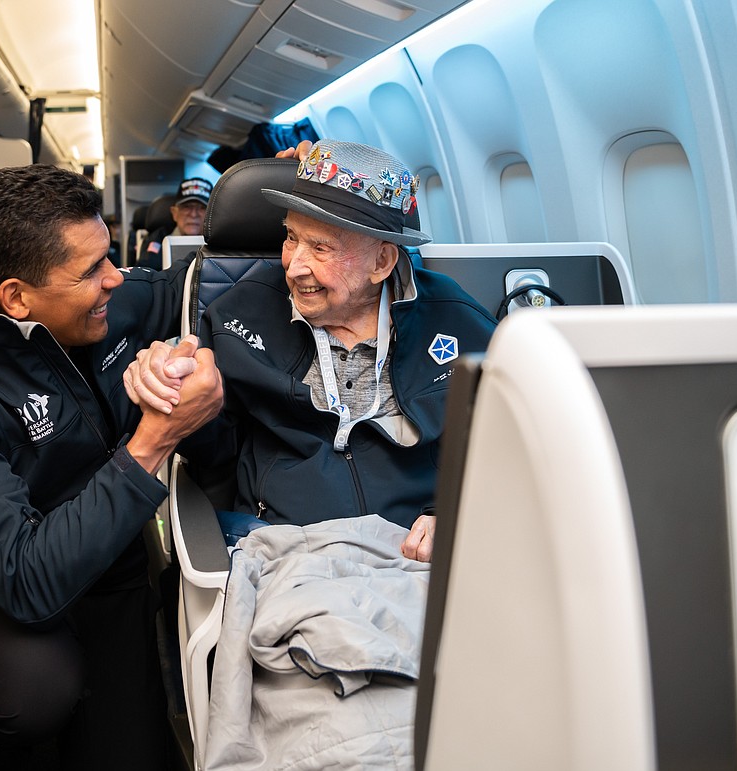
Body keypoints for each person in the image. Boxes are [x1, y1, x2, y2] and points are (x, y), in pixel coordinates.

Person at [0, 164, 223, 769]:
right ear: (16, 297)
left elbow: (190, 288)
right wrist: (153, 440)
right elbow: (23, 576)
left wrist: (184, 357)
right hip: (4, 569)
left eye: (110, 256)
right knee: (32, 698)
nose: (115, 279)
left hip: (115, 558)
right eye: (93, 271)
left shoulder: (108, 302)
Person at [126, 139, 498, 561]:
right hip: (288, 556)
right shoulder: (238, 316)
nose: (294, 265)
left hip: (419, 561)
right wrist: (177, 396)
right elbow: (211, 456)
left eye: (320, 248)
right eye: (290, 237)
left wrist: (457, 513)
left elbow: (505, 451)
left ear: (382, 262)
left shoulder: (455, 321)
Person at [137, 177, 212, 269]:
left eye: (202, 208)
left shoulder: (219, 244)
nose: (193, 214)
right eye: (187, 207)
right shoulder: (158, 239)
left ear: (211, 214)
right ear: (174, 213)